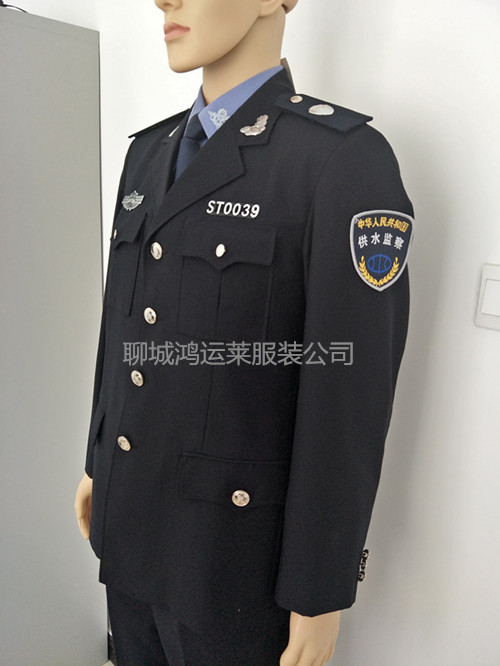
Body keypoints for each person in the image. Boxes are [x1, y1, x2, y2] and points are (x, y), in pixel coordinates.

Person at [75, 1, 414, 664]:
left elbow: (348, 399)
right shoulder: (147, 154)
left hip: (230, 562)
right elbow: (122, 330)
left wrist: (319, 586)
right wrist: (98, 461)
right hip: (130, 525)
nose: (163, 0)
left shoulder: (340, 160)